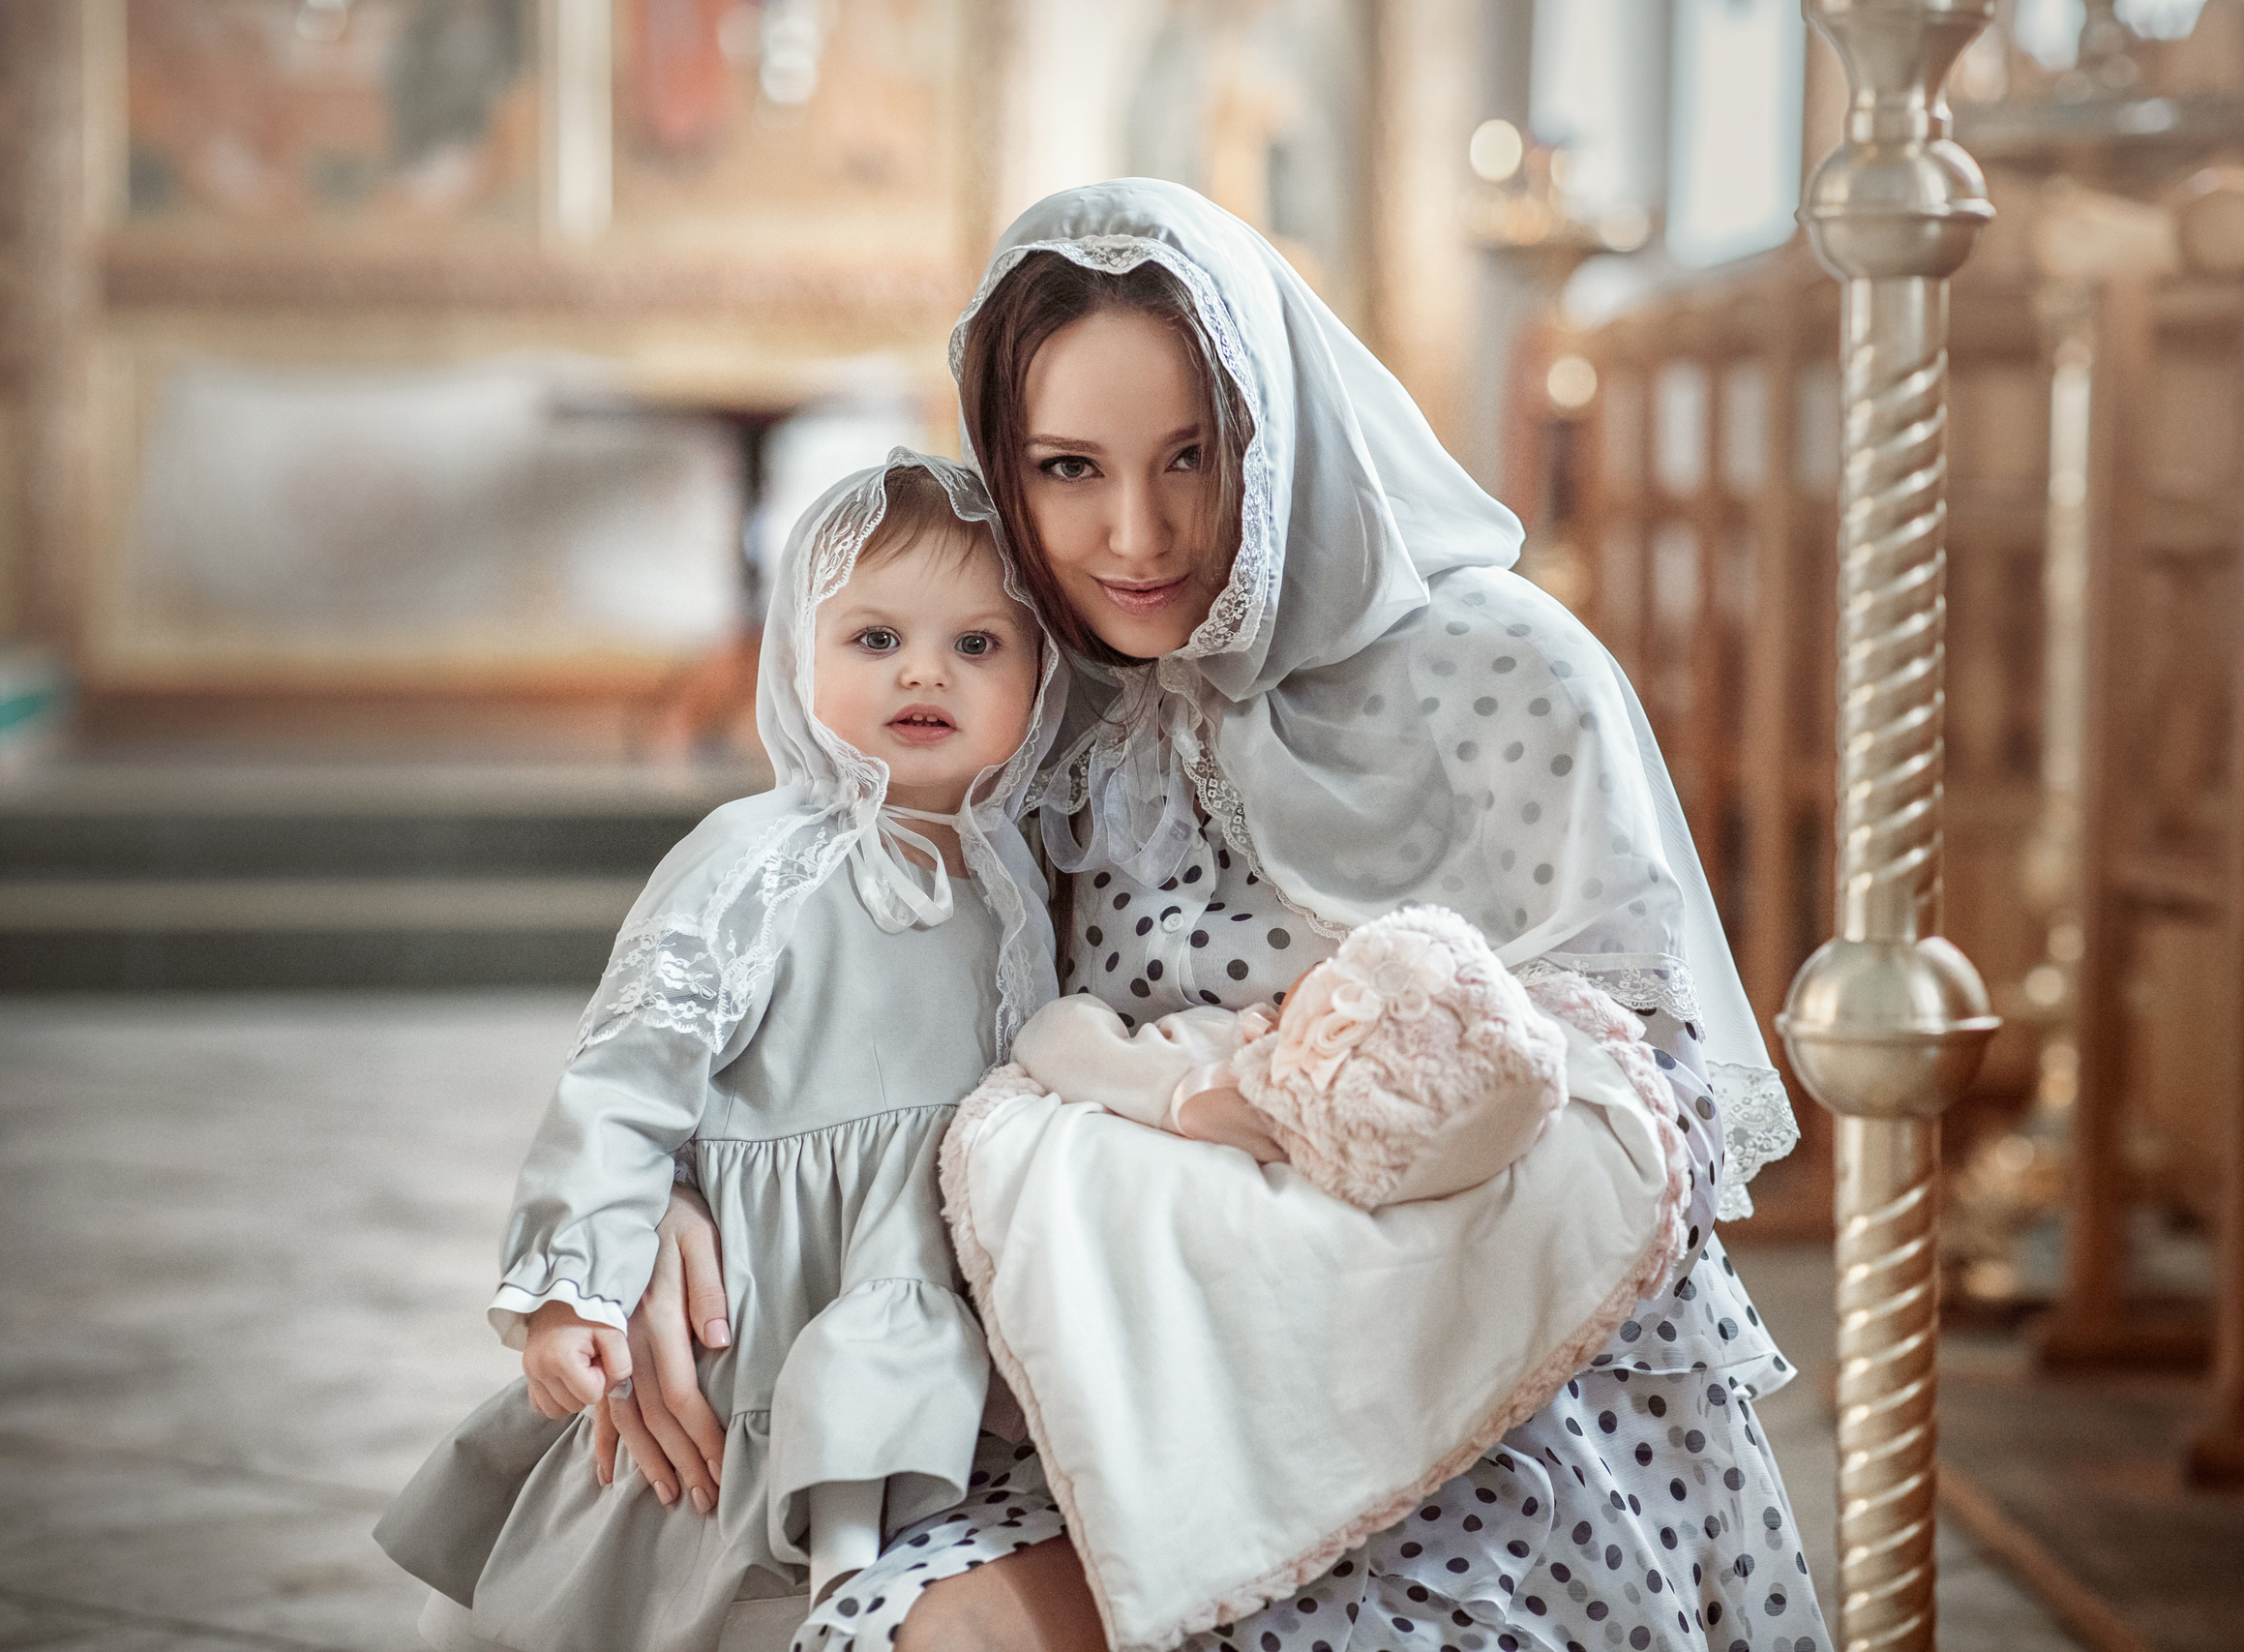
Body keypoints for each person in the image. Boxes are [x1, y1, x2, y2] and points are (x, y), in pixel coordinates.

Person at [648, 180, 1829, 1652]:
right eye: (1069, 467)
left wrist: (1341, 1158)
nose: (1135, 535)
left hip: (1482, 1404)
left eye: (1193, 458)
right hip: (1115, 1391)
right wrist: (674, 1186)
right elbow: (848, 978)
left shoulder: (1510, 671)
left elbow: (1649, 1137)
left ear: (1273, 432)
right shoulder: (1032, 686)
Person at [373, 454, 1069, 1652]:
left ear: (1042, 678)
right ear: (796, 656)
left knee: (861, 1548)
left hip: (910, 1290)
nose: (922, 669)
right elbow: (625, 1077)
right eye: (873, 637)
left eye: (977, 645)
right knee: (676, 1524)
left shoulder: (1022, 880)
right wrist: (573, 1284)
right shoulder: (757, 859)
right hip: (757, 1299)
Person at [1010, 903, 1583, 1211]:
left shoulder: (1227, 1093)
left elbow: (1054, 1039)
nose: (1336, 963)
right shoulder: (1268, 1070)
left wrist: (1084, 1020)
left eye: (1345, 979)